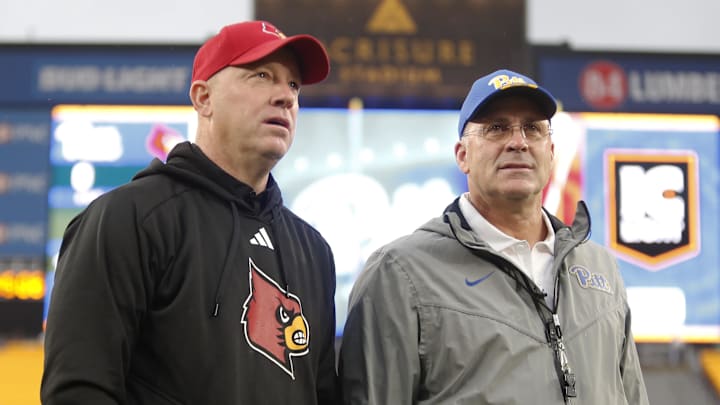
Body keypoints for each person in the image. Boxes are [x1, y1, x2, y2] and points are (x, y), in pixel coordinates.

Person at [41, 20, 338, 404]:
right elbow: (79, 389)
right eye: (262, 75)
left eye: (294, 84)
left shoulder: (312, 251)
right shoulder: (129, 219)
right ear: (203, 98)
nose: (285, 96)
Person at [339, 69, 649, 404]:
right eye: (497, 128)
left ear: (550, 151)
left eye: (533, 128)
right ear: (462, 155)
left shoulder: (599, 267)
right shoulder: (399, 274)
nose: (518, 142)